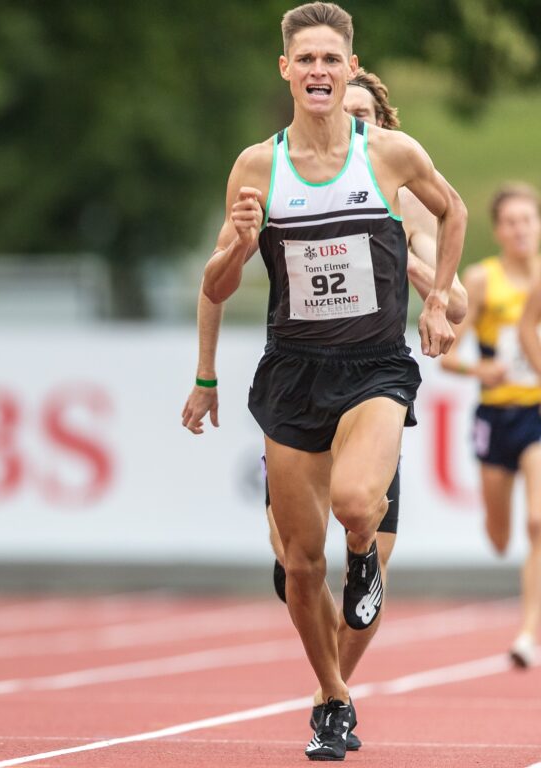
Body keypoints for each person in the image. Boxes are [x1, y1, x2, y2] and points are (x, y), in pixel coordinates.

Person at [189, 3, 466, 759]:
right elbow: (214, 286)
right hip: (292, 373)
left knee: (354, 507)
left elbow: (455, 209)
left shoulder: (391, 155)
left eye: (330, 60)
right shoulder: (257, 165)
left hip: (374, 368)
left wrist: (438, 299)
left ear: (350, 70)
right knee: (298, 566)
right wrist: (240, 248)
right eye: (304, 59)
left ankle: (367, 554)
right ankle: (333, 700)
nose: (317, 70)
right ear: (286, 70)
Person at [444, 184, 541, 669]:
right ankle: (497, 523)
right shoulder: (482, 280)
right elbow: (448, 357)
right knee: (501, 534)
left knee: (538, 521)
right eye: (511, 222)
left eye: (528, 219)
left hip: (537, 413)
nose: (521, 229)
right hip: (494, 415)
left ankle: (528, 633)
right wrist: (482, 370)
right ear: (499, 229)